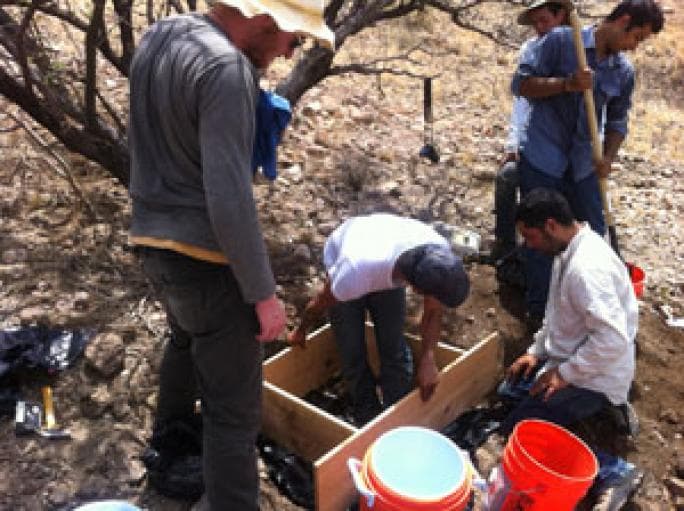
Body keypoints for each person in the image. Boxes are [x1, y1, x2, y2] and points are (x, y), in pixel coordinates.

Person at [127, 1, 334, 509]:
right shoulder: (225, 67)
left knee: (184, 343)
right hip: (205, 258)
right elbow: (228, 197)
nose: (290, 53)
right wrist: (264, 295)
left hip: (154, 242)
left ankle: (170, 457)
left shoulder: (162, 35)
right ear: (268, 21)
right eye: (294, 40)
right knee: (233, 411)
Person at [510, 0, 664, 323]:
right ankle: (540, 317)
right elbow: (521, 85)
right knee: (540, 239)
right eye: (636, 37)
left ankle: (591, 315)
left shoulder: (623, 72)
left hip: (584, 166)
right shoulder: (563, 42)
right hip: (543, 159)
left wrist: (608, 156)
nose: (634, 47)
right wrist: (566, 84)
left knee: (591, 239)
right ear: (622, 21)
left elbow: (619, 121)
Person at [288, 213, 470, 425]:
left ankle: (398, 415)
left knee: (393, 346)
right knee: (352, 353)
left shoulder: (438, 255)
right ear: (416, 287)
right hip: (353, 254)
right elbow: (321, 301)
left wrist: (428, 357)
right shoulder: (352, 276)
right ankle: (368, 418)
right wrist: (301, 330)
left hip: (383, 250)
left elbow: (433, 312)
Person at [500, 188, 638, 435]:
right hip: (568, 357)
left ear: (550, 226)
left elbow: (612, 340)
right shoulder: (565, 251)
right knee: (507, 392)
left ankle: (607, 408)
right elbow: (555, 314)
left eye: (530, 237)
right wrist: (536, 351)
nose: (529, 246)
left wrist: (564, 375)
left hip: (596, 375)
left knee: (517, 429)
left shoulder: (587, 270)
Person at [493, 0, 570, 263]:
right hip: (533, 144)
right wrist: (513, 145)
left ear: (561, 15)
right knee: (507, 178)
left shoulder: (579, 49)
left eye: (544, 20)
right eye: (535, 22)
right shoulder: (531, 49)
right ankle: (505, 243)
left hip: (568, 150)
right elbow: (522, 102)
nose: (539, 28)